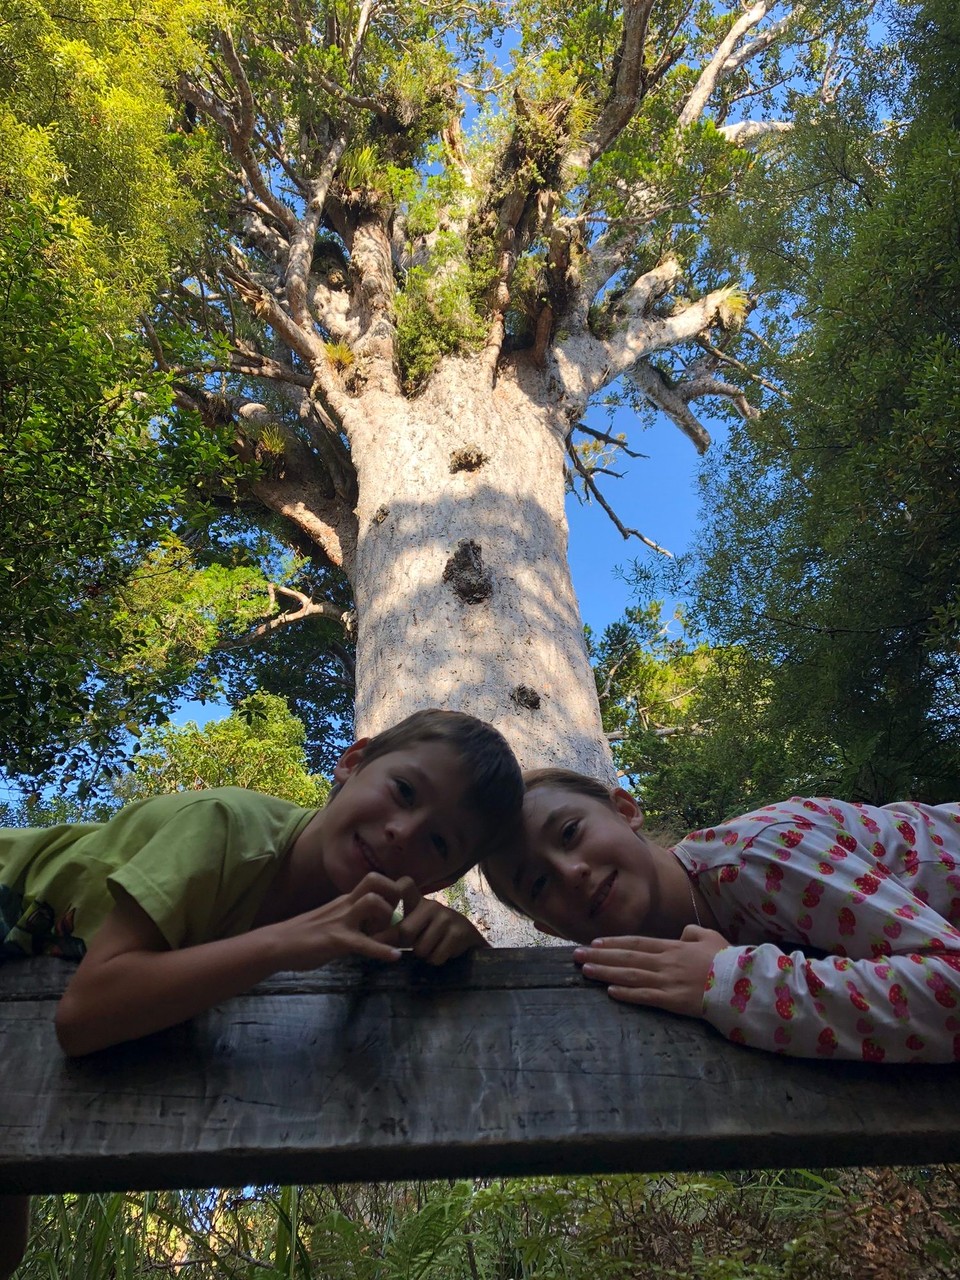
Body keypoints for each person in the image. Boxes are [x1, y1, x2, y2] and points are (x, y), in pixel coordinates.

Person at [0, 708, 521, 1279]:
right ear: (353, 761)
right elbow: (85, 1015)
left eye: (440, 842)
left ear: (439, 882)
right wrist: (287, 944)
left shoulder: (366, 937)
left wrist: (463, 947)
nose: (404, 831)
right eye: (402, 791)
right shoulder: (227, 827)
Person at [482, 768, 960, 1065]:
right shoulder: (653, 971)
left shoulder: (761, 855)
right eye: (538, 885)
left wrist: (729, 982)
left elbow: (951, 987)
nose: (571, 872)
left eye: (569, 833)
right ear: (546, 929)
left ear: (626, 809)